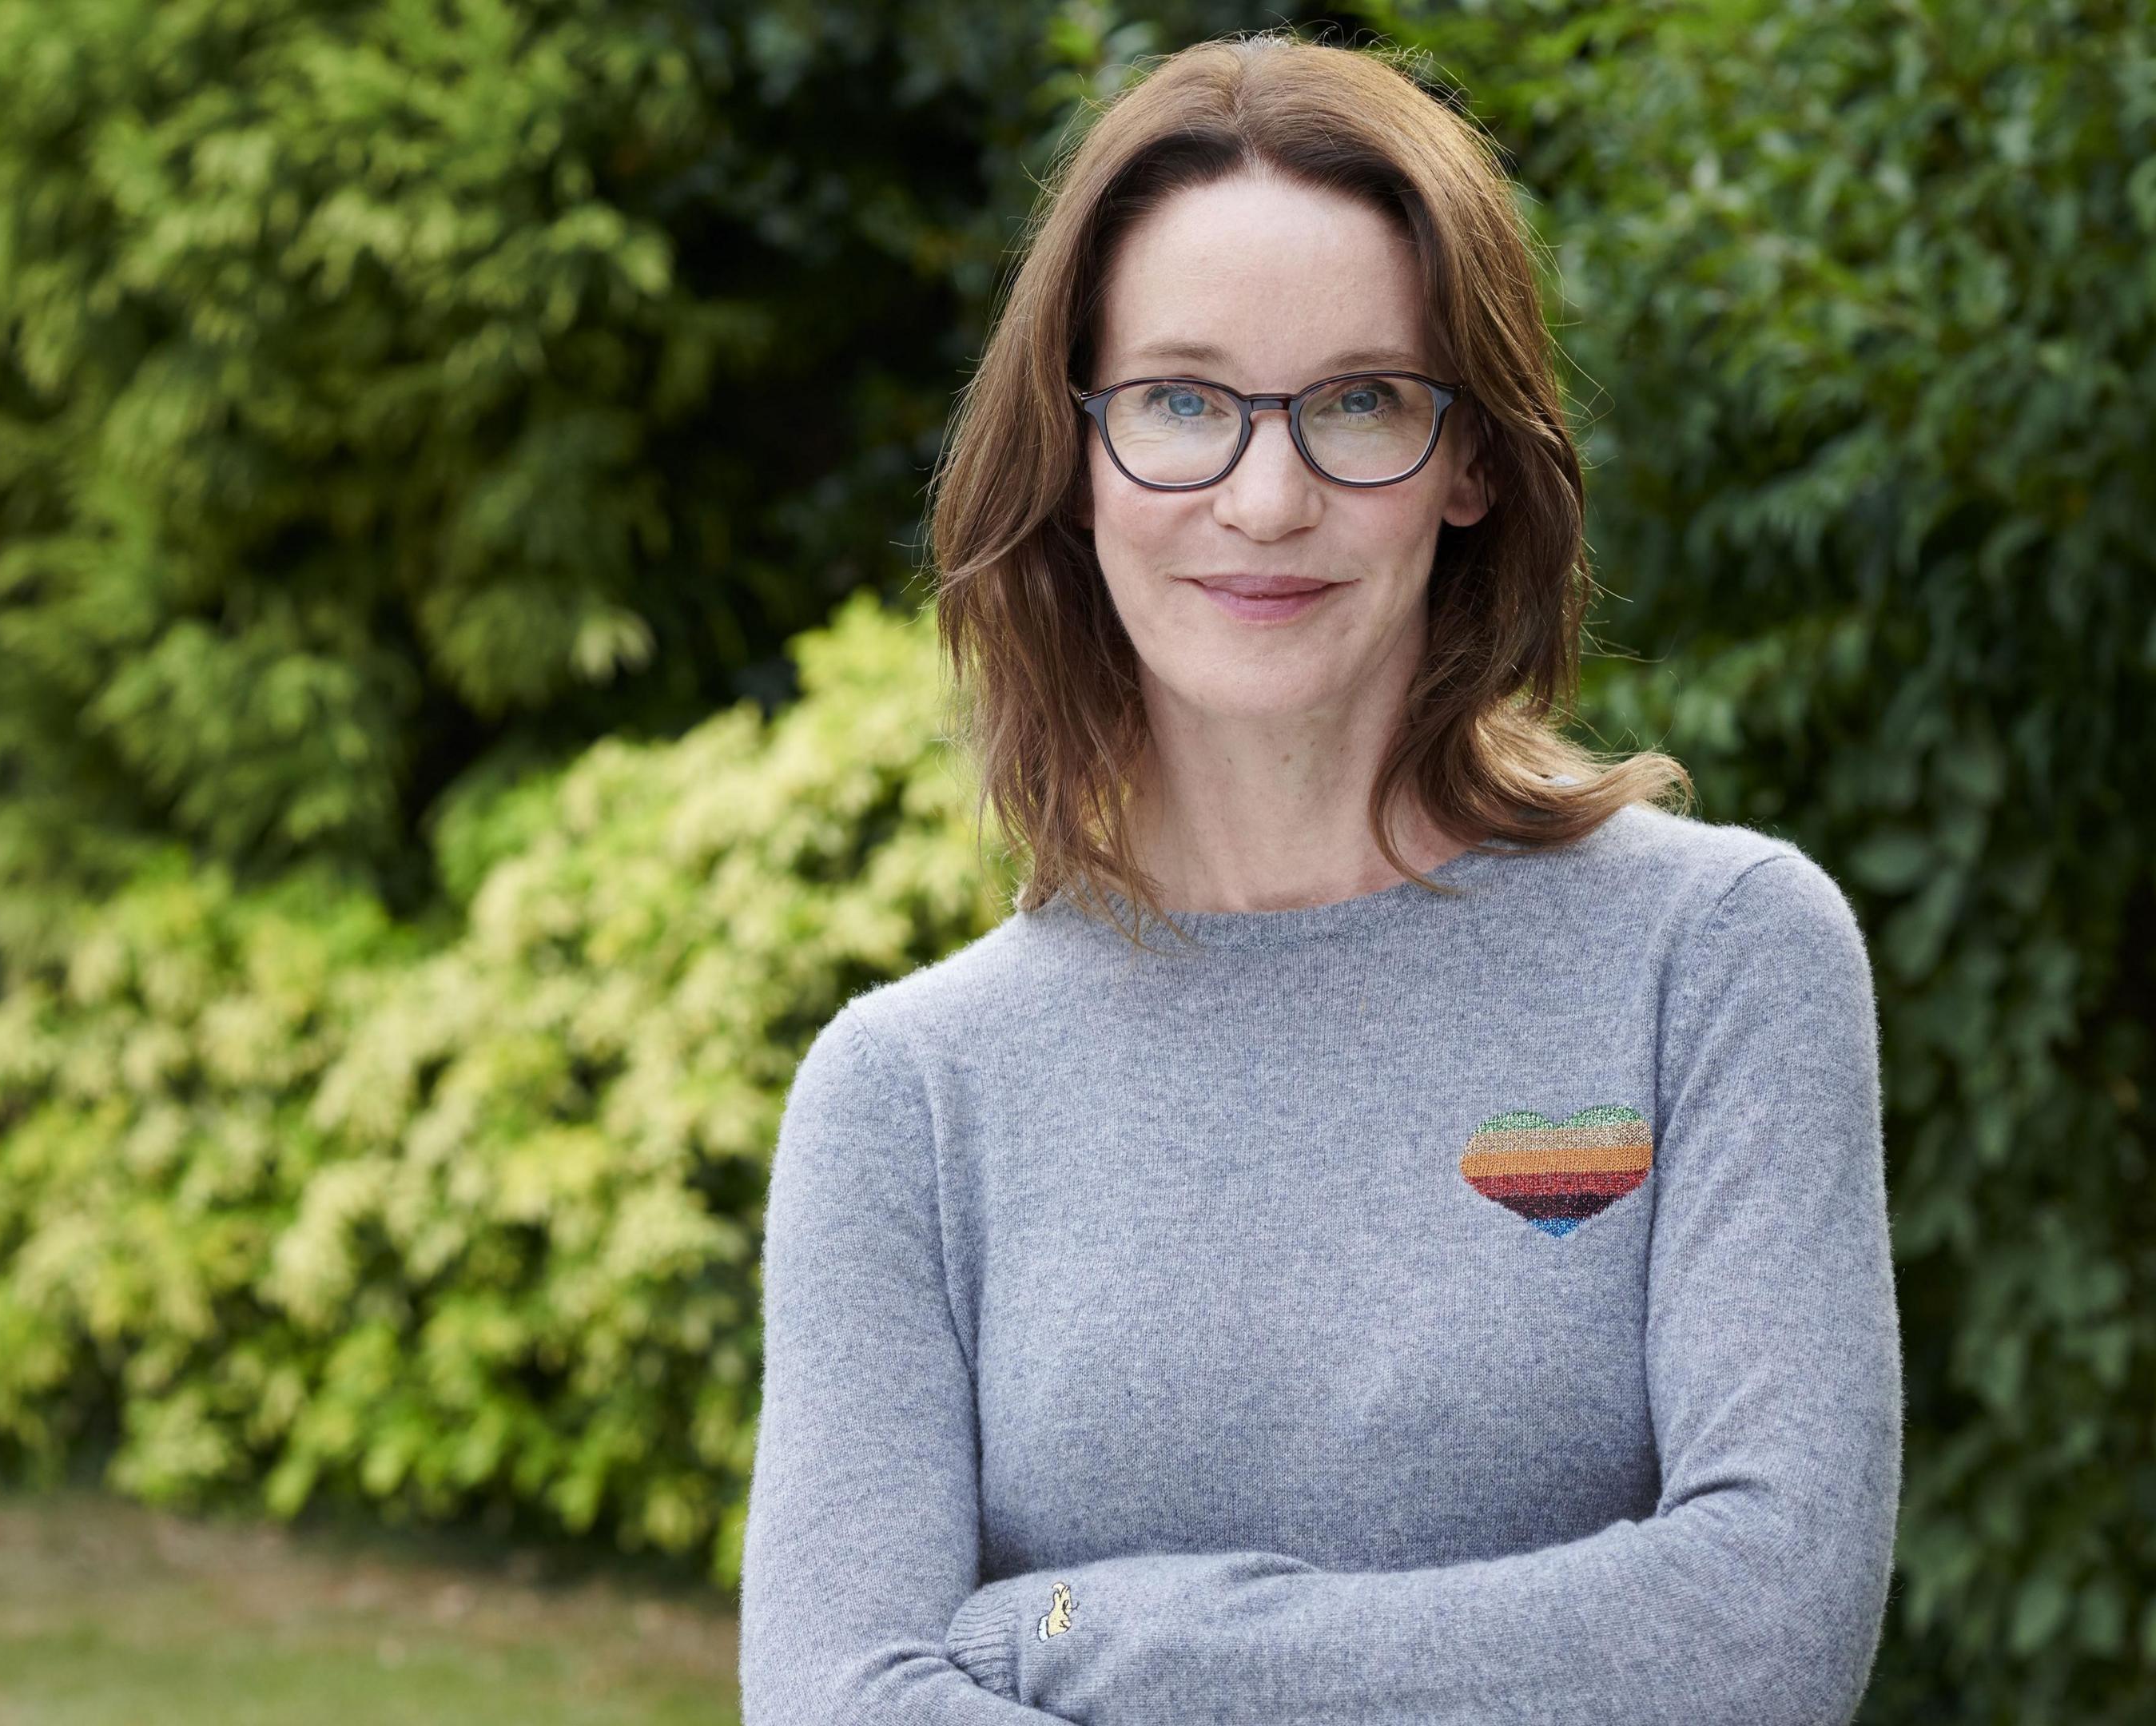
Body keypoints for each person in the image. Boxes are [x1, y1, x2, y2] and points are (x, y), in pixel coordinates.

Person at [737, 30, 1899, 1726]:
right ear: (1072, 459)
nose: (1264, 497)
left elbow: (1761, 1631)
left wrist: (1109, 1644)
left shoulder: (1717, 961)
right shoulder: (907, 1100)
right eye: (1181, 403)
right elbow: (840, 1700)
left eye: (1360, 400)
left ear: (1475, 460)